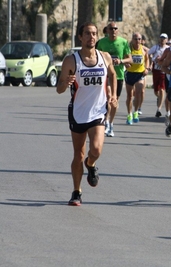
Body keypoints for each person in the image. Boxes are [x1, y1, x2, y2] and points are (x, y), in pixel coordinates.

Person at [56, 22, 118, 206]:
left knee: (96, 149)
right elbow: (59, 89)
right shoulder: (71, 60)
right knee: (78, 153)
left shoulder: (104, 57)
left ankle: (90, 164)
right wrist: (66, 82)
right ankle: (76, 192)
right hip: (78, 112)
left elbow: (113, 74)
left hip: (98, 111)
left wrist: (113, 95)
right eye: (87, 34)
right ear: (80, 37)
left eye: (94, 33)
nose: (91, 37)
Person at [96, 22, 132, 137]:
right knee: (109, 98)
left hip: (119, 76)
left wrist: (120, 61)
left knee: (114, 101)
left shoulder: (123, 42)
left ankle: (111, 123)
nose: (113, 31)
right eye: (111, 29)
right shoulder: (101, 43)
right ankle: (106, 122)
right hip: (105, 75)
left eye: (115, 28)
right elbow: (95, 57)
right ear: (107, 30)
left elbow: (130, 59)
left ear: (118, 30)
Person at [125, 32, 149, 124]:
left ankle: (136, 111)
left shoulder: (143, 50)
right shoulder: (128, 49)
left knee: (139, 92)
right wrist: (126, 63)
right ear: (132, 39)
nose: (137, 41)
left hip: (140, 74)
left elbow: (147, 59)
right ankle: (129, 114)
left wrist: (147, 68)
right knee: (130, 95)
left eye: (139, 39)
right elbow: (124, 57)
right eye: (135, 39)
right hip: (130, 73)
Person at [147, 33, 169, 118]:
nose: (162, 40)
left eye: (164, 38)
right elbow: (148, 53)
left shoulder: (168, 49)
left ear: (167, 40)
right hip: (156, 70)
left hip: (163, 71)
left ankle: (159, 109)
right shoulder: (155, 47)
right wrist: (152, 59)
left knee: (162, 89)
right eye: (161, 38)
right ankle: (159, 98)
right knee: (156, 90)